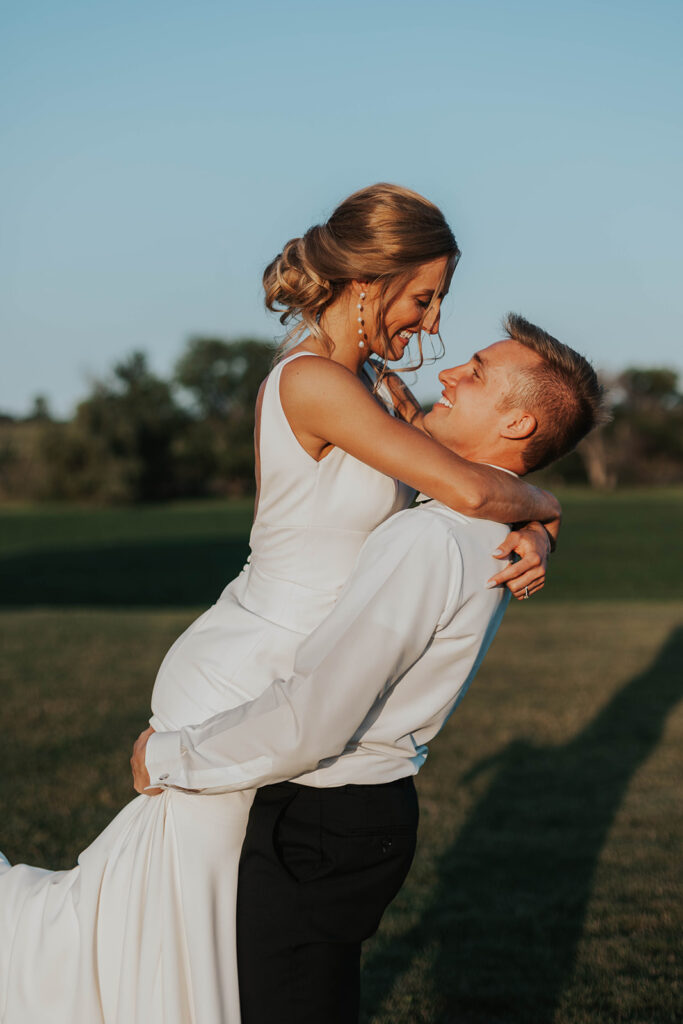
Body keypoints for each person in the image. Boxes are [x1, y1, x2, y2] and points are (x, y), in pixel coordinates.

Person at [0, 186, 556, 1024]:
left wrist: (536, 520)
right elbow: (468, 486)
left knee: (209, 929)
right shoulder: (314, 382)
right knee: (182, 925)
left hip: (292, 683)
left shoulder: (372, 383)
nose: (432, 322)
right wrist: (552, 513)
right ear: (369, 282)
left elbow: (478, 470)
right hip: (245, 681)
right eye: (423, 295)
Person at [134, 315, 607, 1024]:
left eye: (472, 372)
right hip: (359, 815)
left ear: (514, 422)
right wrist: (542, 522)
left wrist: (165, 755)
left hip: (324, 816)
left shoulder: (429, 538)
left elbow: (315, 715)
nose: (445, 373)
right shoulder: (481, 525)